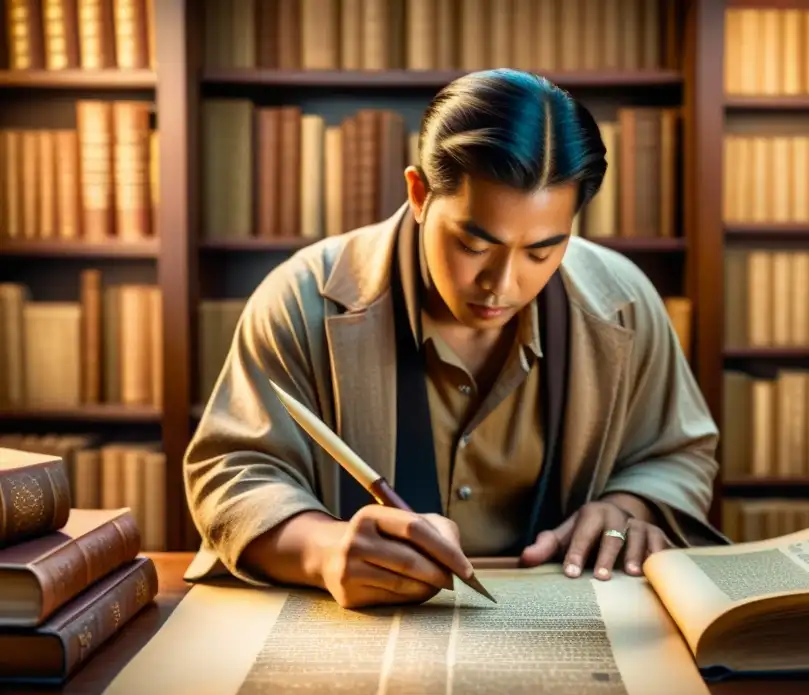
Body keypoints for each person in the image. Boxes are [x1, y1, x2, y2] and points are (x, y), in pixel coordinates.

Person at [183, 68, 726, 610]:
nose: (503, 284)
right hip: (358, 631)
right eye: (473, 243)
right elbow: (231, 470)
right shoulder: (302, 297)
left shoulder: (622, 303)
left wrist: (629, 506)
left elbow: (679, 452)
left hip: (569, 619)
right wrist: (322, 549)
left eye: (541, 251)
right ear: (419, 194)